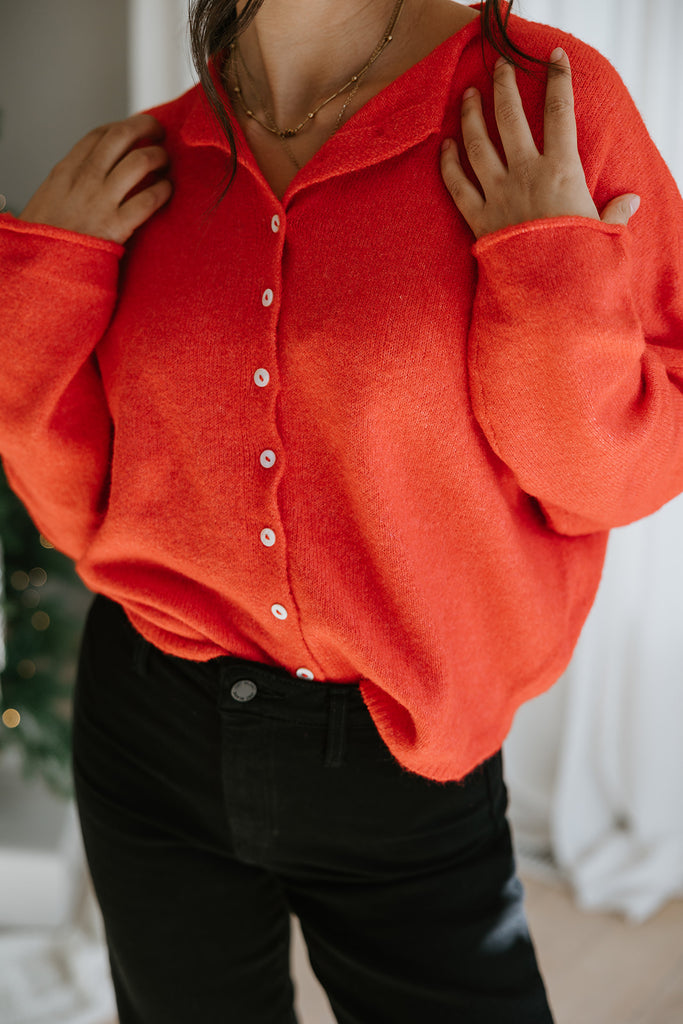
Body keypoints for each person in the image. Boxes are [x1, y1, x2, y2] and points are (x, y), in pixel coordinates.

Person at [1, 0, 682, 1021]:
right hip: (149, 725)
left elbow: (619, 477)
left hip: (404, 757)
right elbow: (75, 504)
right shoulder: (151, 159)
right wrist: (47, 275)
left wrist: (546, 271)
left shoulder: (538, 101)